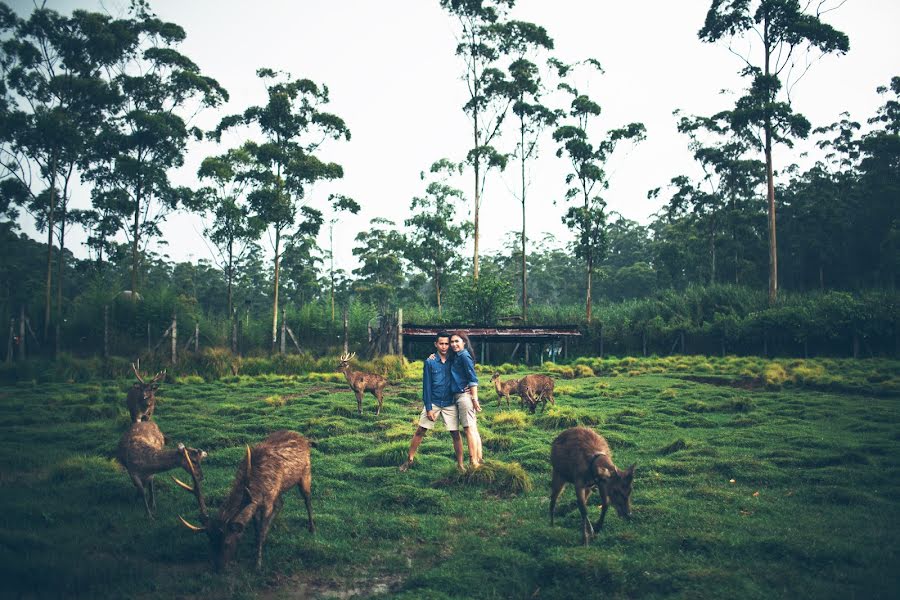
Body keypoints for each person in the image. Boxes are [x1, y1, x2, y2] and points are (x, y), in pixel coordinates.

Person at [399, 331, 464, 472]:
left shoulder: (455, 359)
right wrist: (429, 408)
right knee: (420, 430)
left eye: (447, 344)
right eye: (441, 343)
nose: (444, 346)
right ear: (436, 344)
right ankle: (409, 460)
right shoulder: (429, 362)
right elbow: (426, 386)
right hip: (433, 401)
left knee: (455, 434)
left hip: (450, 402)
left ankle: (460, 465)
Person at [448, 331, 482, 468]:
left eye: (457, 341)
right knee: (472, 428)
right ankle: (479, 458)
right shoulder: (457, 356)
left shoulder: (464, 356)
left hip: (464, 397)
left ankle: (473, 461)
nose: (454, 344)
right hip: (458, 395)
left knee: (468, 429)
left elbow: (473, 379)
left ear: (464, 342)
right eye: (452, 342)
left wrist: (474, 399)